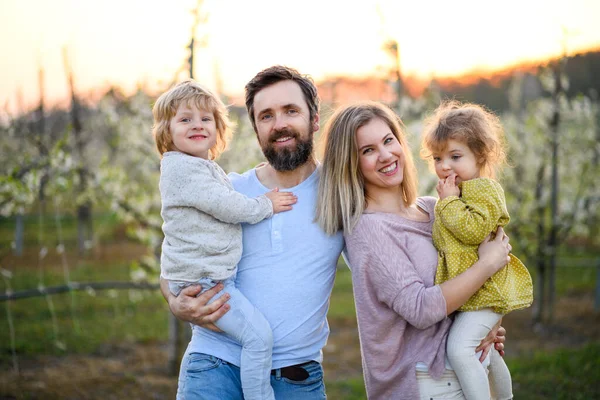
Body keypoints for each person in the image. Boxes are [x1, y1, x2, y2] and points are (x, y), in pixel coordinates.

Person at [159, 66, 345, 399]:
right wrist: (175, 302)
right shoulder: (228, 191)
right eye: (266, 116)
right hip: (214, 366)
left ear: (314, 119)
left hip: (295, 378)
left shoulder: (340, 195)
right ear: (256, 129)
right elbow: (174, 256)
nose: (280, 124)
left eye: (291, 111)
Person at [315, 101, 511, 399]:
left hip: (471, 373)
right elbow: (420, 309)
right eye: (367, 150)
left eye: (388, 140)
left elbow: (472, 274)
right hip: (428, 384)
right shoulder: (369, 230)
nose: (385, 155)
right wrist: (487, 265)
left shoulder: (435, 210)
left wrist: (485, 324)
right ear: (350, 164)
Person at [152, 80, 298, 400]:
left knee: (255, 337)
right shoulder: (183, 170)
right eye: (185, 119)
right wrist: (265, 205)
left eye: (206, 119)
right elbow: (226, 205)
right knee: (259, 338)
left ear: (218, 128)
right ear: (167, 129)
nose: (197, 125)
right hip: (207, 283)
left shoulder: (203, 168)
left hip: (207, 277)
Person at [420, 101, 533, 399]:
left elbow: (473, 230)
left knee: (460, 350)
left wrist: (448, 202)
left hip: (484, 291)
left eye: (455, 156)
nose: (444, 166)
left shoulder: (483, 189)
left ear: (480, 155)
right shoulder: (461, 192)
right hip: (471, 292)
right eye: (438, 158)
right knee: (488, 349)